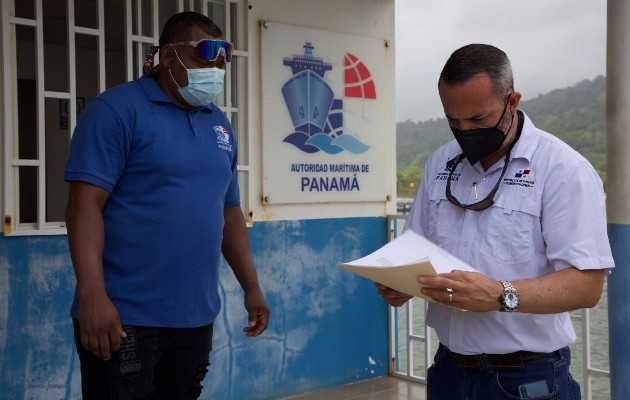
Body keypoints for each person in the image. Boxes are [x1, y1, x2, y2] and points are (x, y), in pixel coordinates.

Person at [376, 43, 614, 399]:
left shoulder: (564, 170)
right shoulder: (441, 163)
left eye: (477, 120)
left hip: (527, 377)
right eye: (453, 121)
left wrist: (502, 295)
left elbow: (587, 286)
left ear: (512, 102)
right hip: (449, 371)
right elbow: (415, 250)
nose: (465, 131)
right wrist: (399, 284)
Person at [64, 11, 270, 399]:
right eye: (202, 58)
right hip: (124, 317)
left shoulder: (218, 124)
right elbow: (83, 205)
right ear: (169, 56)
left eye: (221, 60)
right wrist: (92, 296)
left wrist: (251, 287)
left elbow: (228, 212)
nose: (214, 68)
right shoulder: (116, 111)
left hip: (195, 317)